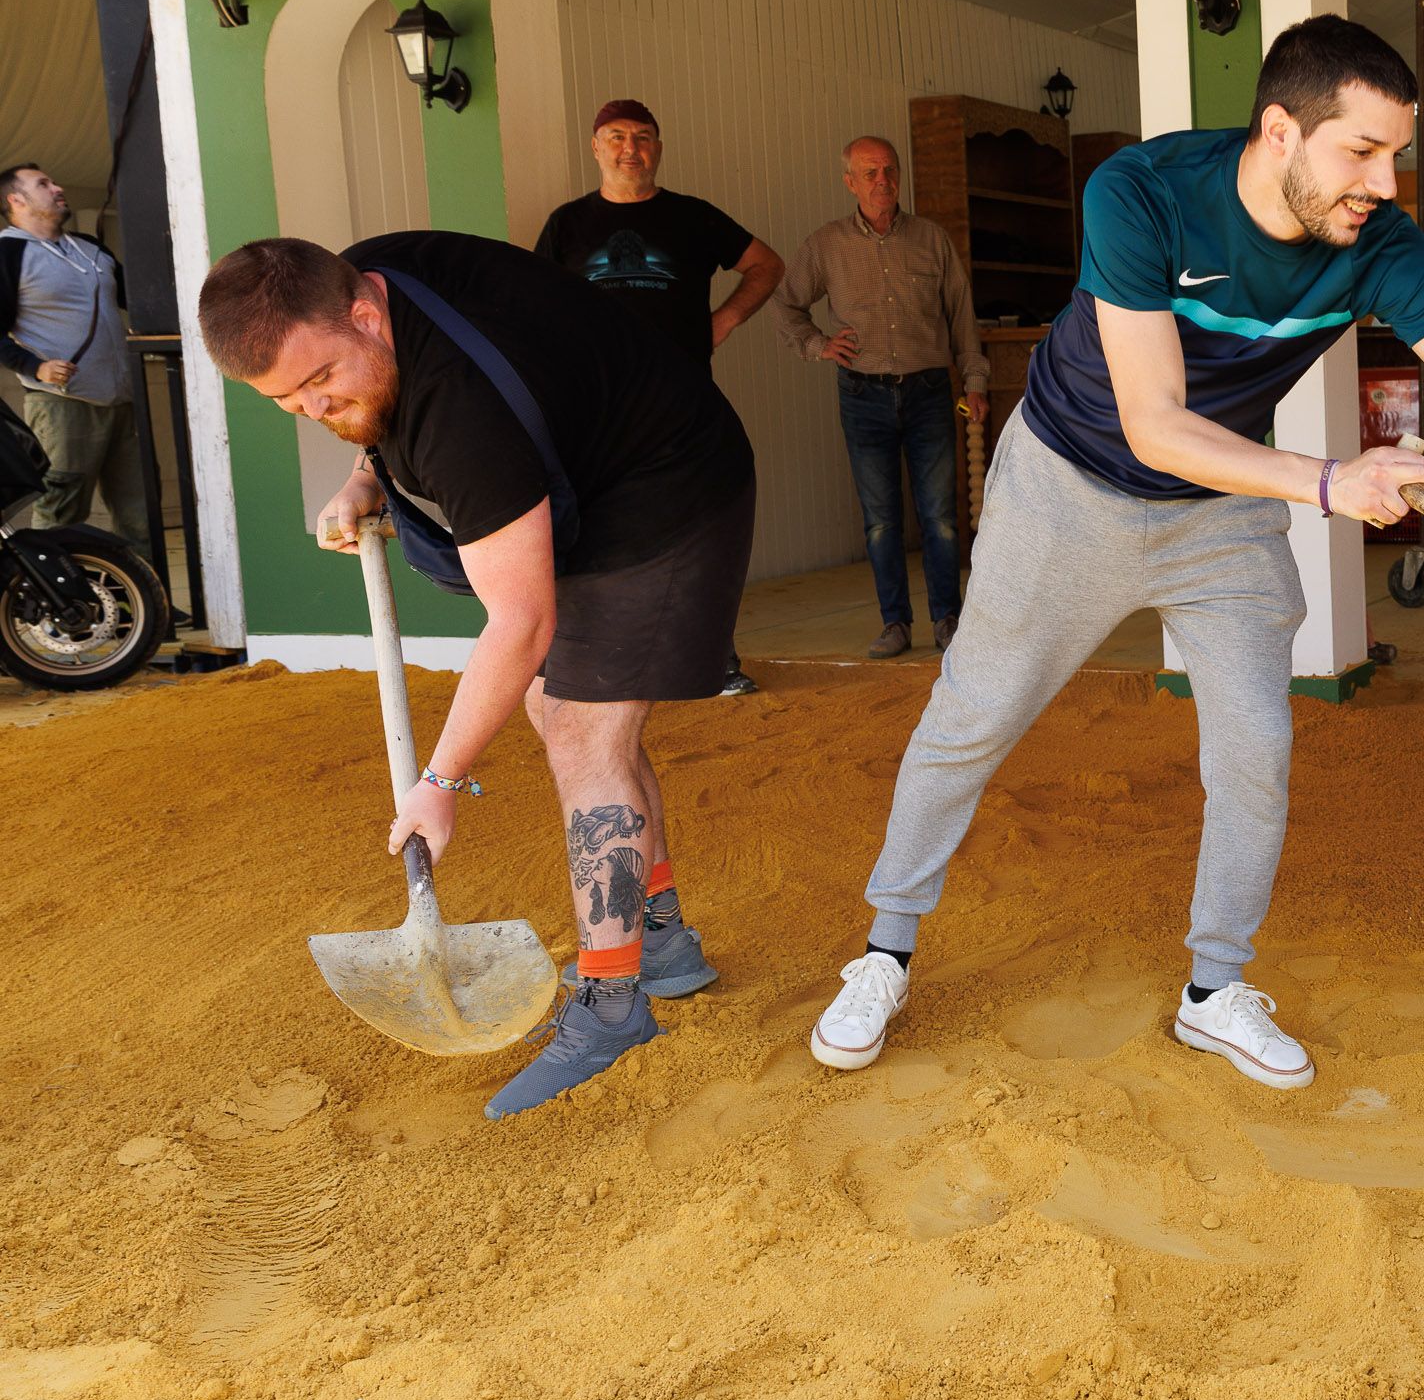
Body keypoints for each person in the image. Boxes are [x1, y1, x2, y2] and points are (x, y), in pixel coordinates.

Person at [806, 15, 1424, 1089]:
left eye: (1396, 154)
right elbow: (1154, 425)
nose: (1385, 182)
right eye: (1361, 152)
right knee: (972, 718)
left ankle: (1214, 988)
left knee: (1255, 750)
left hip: (1219, 511)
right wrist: (1329, 482)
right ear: (1281, 131)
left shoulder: (1377, 245)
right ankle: (884, 950)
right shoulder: (1140, 195)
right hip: (1070, 486)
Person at [198, 232, 758, 1120]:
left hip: (668, 489)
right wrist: (364, 474)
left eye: (319, 381)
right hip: (592, 464)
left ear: (364, 313)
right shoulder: (347, 291)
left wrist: (438, 782)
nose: (310, 405)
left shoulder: (464, 413)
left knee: (580, 726)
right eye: (285, 399)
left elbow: (521, 622)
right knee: (559, 710)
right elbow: (370, 402)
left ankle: (613, 1006)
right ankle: (660, 940)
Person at [534, 100, 782, 696]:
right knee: (594, 526)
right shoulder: (566, 225)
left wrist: (722, 321)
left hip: (682, 407)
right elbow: (534, 303)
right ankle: (587, 662)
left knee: (697, 525)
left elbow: (766, 266)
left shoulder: (693, 218)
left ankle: (715, 660)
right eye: (616, 137)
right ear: (595, 147)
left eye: (643, 137)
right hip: (593, 411)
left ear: (659, 148)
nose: (630, 148)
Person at [774, 136, 987, 657]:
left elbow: (961, 314)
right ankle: (895, 624)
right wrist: (818, 345)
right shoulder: (826, 245)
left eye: (889, 170)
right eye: (869, 173)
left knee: (938, 515)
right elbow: (786, 304)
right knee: (881, 519)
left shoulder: (931, 239)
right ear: (850, 182)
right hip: (862, 394)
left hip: (929, 390)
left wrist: (975, 381)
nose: (882, 181)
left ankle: (948, 620)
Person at [1, 165, 152, 563]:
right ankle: (62, 614)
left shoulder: (90, 247)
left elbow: (136, 302)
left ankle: (148, 605)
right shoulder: (7, 252)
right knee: (61, 514)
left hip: (122, 402)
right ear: (16, 201)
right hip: (62, 405)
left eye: (54, 180)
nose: (58, 187)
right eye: (43, 184)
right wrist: (35, 367)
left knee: (141, 515)